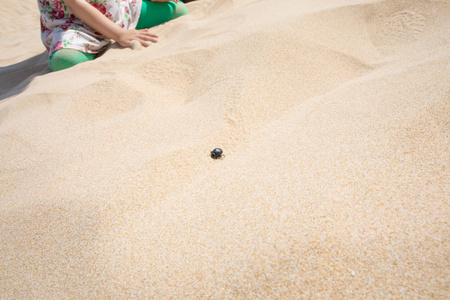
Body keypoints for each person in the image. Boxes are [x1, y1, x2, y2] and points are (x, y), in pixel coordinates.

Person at [38, 0, 189, 71]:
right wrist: (119, 34)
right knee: (65, 61)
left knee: (178, 9)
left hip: (115, 9)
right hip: (75, 25)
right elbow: (76, 5)